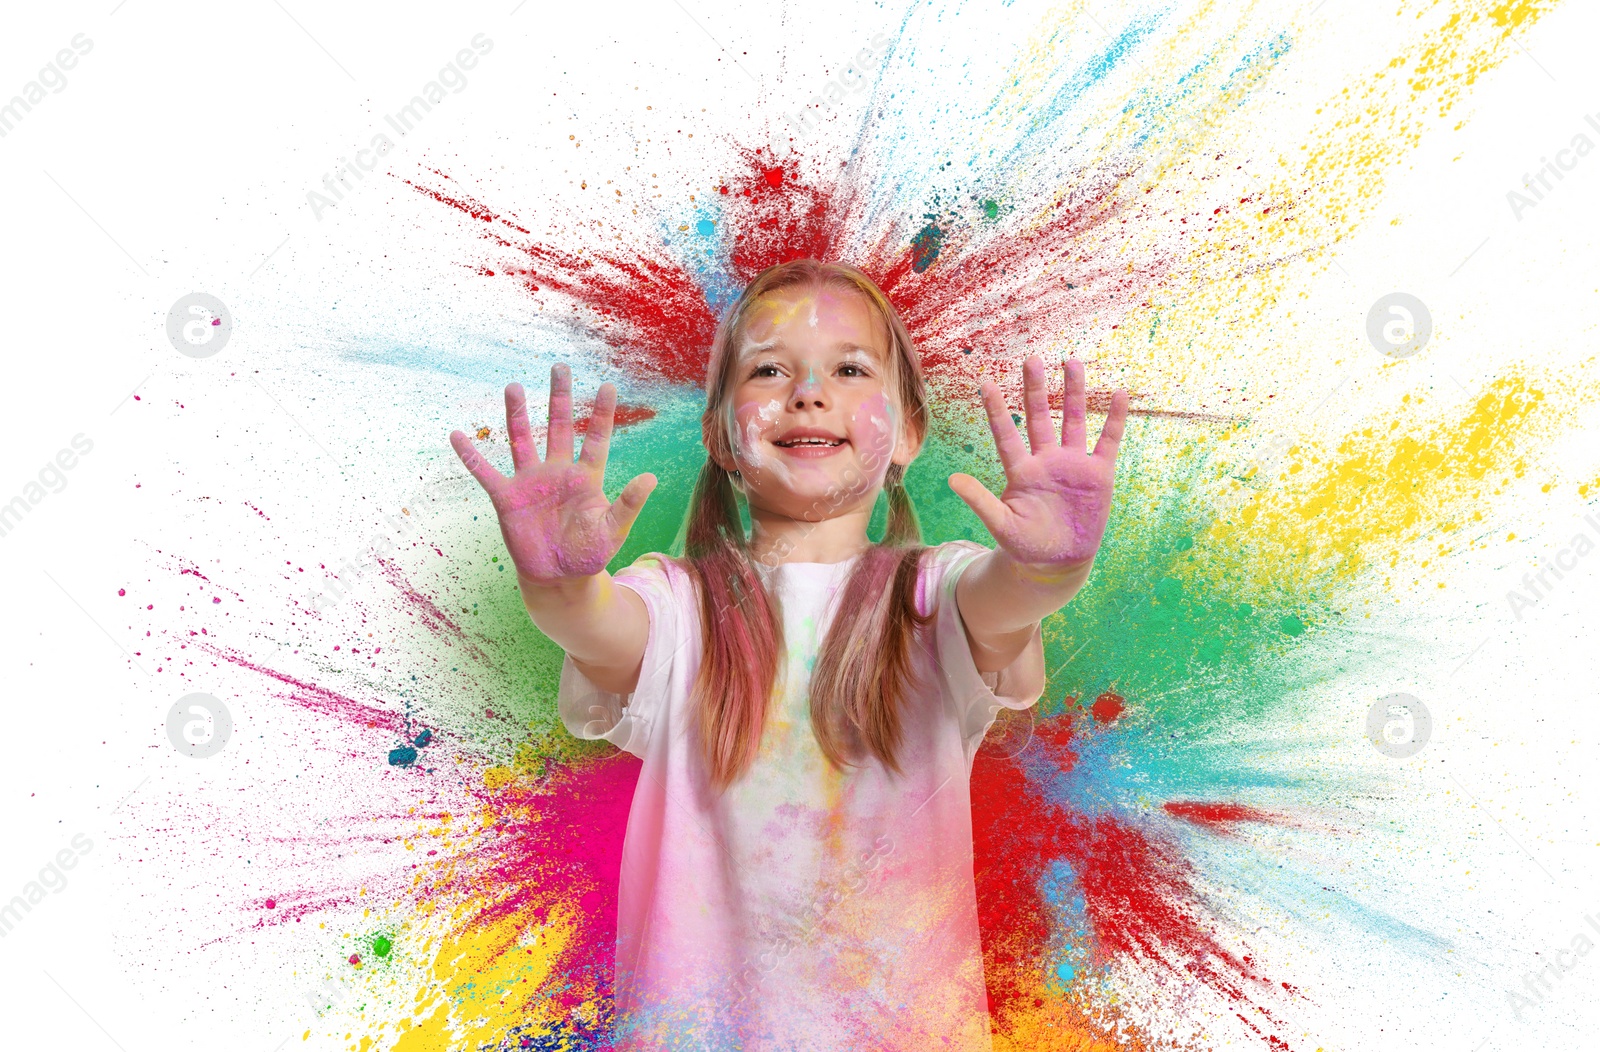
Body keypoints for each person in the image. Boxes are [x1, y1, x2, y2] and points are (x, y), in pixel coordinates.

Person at [450, 258, 1129, 1051]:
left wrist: (1053, 567)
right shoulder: (677, 604)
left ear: (907, 429)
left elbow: (1009, 599)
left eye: (848, 368)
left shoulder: (934, 592)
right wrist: (557, 582)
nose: (809, 392)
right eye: (770, 369)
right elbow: (593, 622)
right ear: (720, 436)